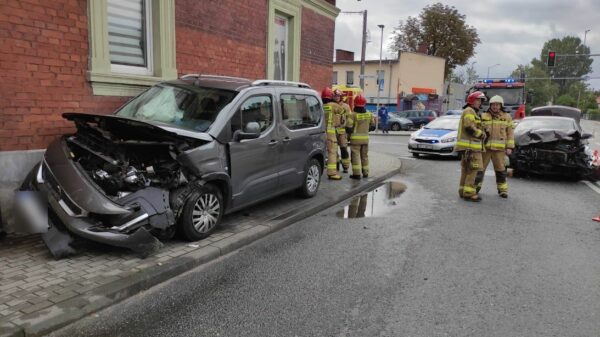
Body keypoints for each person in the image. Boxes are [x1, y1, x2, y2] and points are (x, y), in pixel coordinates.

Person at [476, 95, 514, 198]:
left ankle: (503, 190)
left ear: (501, 106)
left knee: (501, 170)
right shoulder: (483, 116)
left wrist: (509, 147)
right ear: (490, 105)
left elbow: (510, 133)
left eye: (497, 105)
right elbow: (478, 131)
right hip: (485, 149)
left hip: (500, 150)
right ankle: (475, 189)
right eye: (493, 105)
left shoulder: (507, 117)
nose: (495, 107)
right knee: (480, 169)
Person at [456, 91, 487, 202]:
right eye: (478, 100)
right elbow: (469, 127)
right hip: (471, 147)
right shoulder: (470, 110)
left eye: (481, 101)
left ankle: (463, 190)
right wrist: (482, 134)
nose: (480, 102)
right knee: (474, 169)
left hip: (467, 148)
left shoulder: (471, 111)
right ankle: (469, 193)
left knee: (466, 169)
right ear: (472, 100)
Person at [347, 94, 376, 179]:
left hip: (355, 141)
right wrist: (366, 129)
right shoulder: (369, 114)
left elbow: (348, 128)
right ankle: (366, 173)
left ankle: (357, 174)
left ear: (355, 104)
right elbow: (373, 127)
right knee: (364, 156)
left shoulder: (352, 115)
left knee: (355, 157)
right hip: (365, 140)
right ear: (364, 104)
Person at [321, 87, 344, 180]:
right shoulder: (334, 105)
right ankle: (332, 173)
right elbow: (343, 113)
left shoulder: (319, 105)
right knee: (332, 152)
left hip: (320, 132)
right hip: (330, 133)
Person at [333, 89, 351, 173]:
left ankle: (346, 167)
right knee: (334, 150)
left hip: (342, 132)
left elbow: (349, 119)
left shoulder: (346, 106)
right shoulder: (331, 105)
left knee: (344, 149)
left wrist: (348, 130)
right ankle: (336, 166)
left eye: (338, 96)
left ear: (341, 97)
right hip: (333, 131)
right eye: (335, 96)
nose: (337, 98)